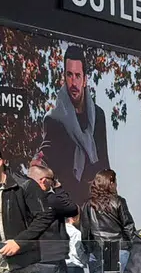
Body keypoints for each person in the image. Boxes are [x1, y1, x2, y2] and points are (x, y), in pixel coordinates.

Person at [39, 44, 110, 206]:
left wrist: (108, 202)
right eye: (69, 75)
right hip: (69, 206)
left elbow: (104, 164)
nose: (73, 82)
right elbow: (50, 168)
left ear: (85, 80)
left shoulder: (98, 115)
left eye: (78, 75)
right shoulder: (53, 120)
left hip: (95, 203)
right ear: (64, 77)